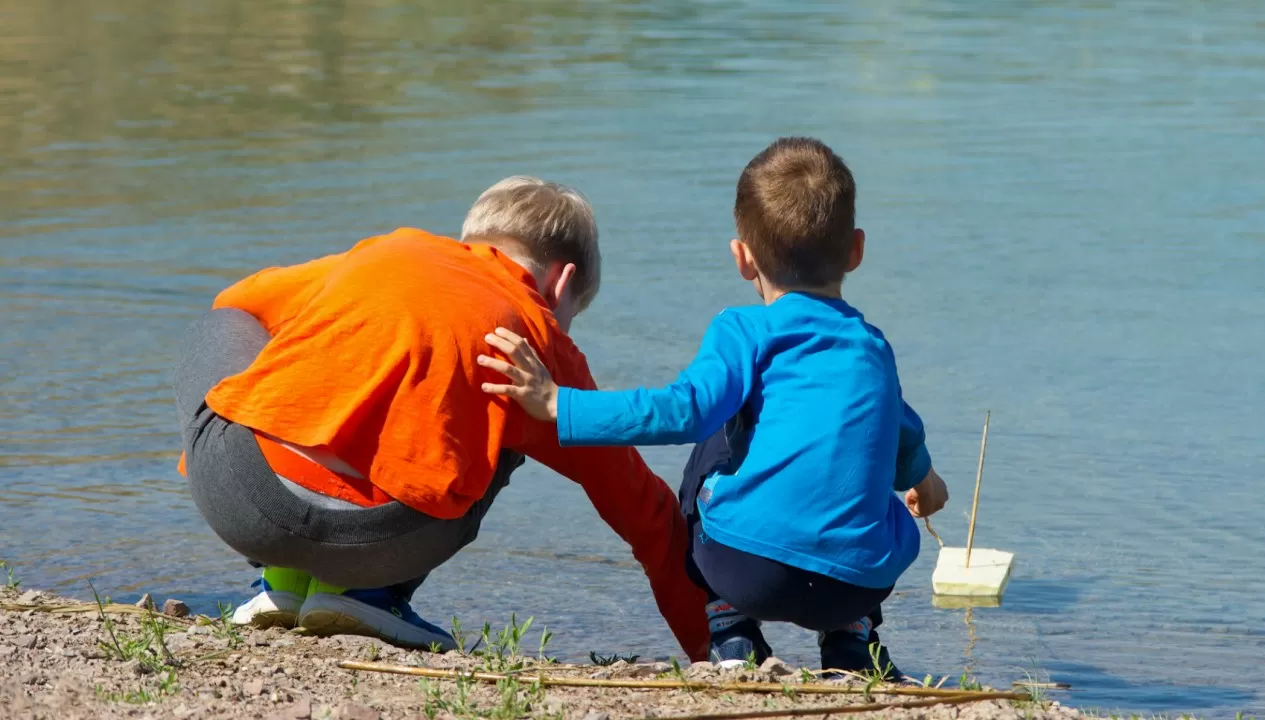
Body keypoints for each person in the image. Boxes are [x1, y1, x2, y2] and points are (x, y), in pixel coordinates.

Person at [173, 177, 709, 660]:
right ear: (562, 284)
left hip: (243, 501)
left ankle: (281, 582)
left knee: (221, 326)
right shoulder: (541, 338)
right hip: (380, 545)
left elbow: (237, 301)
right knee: (511, 416)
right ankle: (370, 595)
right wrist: (717, 652)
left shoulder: (390, 250)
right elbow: (648, 518)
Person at [478, 138, 950, 676]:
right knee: (867, 480)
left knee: (713, 435)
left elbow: (681, 411)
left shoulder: (745, 329)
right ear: (856, 250)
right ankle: (851, 639)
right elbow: (902, 436)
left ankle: (729, 628)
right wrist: (926, 483)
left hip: (747, 571)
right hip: (852, 584)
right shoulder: (873, 348)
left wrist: (560, 404)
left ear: (742, 257)